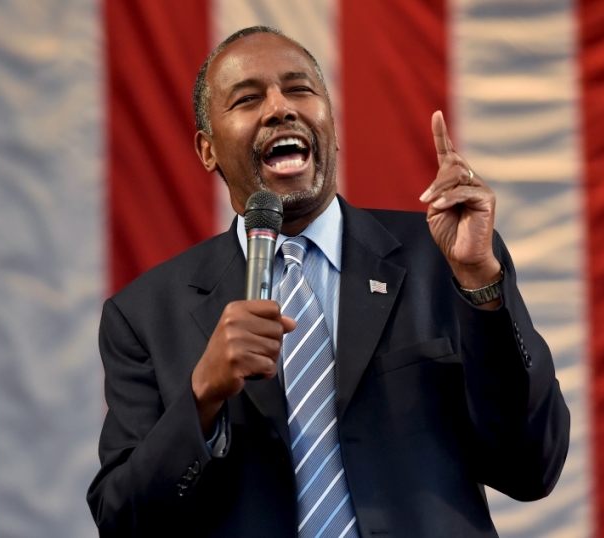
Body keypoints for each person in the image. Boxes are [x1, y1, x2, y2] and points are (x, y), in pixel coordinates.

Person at [87, 26, 569, 538]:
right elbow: (123, 520)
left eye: (299, 89)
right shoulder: (143, 315)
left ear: (332, 128)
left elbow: (532, 467)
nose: (279, 108)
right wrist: (201, 399)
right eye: (248, 98)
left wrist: (479, 284)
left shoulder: (444, 259)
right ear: (207, 150)